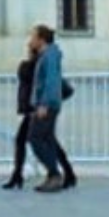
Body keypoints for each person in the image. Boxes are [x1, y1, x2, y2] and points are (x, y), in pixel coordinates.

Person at [27, 25, 76, 192]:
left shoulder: (50, 56)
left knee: (35, 138)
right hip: (47, 103)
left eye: (33, 37)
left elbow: (51, 81)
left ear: (41, 39)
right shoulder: (46, 55)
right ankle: (57, 175)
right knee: (48, 139)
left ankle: (55, 174)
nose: (30, 41)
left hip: (47, 105)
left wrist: (44, 104)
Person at [1, 39, 37, 190]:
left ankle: (17, 176)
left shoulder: (35, 66)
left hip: (35, 109)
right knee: (23, 141)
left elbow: (24, 73)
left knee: (24, 141)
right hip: (33, 110)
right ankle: (17, 175)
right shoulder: (35, 65)